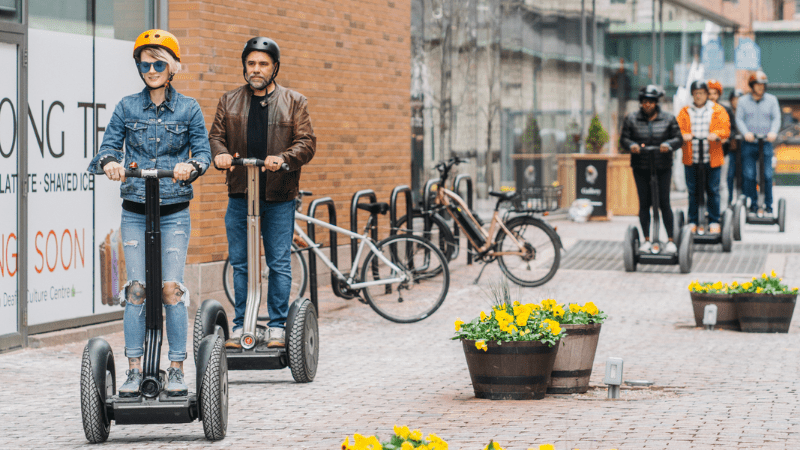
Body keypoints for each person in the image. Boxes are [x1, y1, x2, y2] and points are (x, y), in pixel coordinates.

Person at [87, 30, 211, 397]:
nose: (152, 70)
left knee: (170, 289)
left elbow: (203, 153)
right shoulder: (127, 107)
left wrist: (192, 166)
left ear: (172, 67)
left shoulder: (189, 109)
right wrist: (110, 163)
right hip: (136, 209)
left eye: (159, 63)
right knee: (137, 289)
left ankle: (175, 368)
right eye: (146, 64)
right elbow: (106, 149)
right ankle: (134, 368)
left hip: (173, 209)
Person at [209, 37, 316, 349]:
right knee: (241, 262)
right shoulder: (229, 101)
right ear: (245, 66)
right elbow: (216, 136)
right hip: (240, 192)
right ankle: (244, 323)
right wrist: (220, 154)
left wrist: (283, 159)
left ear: (275, 68)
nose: (256, 69)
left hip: (279, 195)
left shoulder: (295, 102)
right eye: (251, 63)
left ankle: (278, 326)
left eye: (263, 64)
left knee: (278, 262)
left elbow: (306, 142)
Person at [620, 85, 683, 254]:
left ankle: (670, 240)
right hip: (641, 166)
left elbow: (678, 139)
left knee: (664, 203)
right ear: (641, 103)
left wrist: (668, 145)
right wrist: (631, 145)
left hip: (662, 166)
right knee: (644, 203)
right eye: (644, 102)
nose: (647, 105)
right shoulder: (631, 119)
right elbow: (624, 139)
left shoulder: (668, 119)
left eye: (651, 102)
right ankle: (647, 240)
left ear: (656, 103)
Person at [677, 80, 730, 234]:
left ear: (707, 94)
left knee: (712, 190)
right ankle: (693, 221)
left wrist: (717, 135)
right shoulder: (685, 111)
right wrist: (683, 136)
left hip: (711, 158)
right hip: (691, 158)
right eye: (696, 93)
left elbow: (725, 130)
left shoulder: (717, 110)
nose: (698, 96)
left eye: (701, 93)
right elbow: (677, 130)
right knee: (693, 191)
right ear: (692, 95)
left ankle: (714, 221)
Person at [735, 70, 782, 215]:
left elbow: (776, 118)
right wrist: (746, 133)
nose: (761, 87)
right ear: (752, 85)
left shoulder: (772, 100)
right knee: (749, 175)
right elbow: (739, 119)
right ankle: (754, 204)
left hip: (766, 142)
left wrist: (773, 132)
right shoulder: (743, 101)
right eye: (757, 84)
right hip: (749, 143)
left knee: (767, 175)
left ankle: (768, 205)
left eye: (763, 85)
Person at [725, 89, 744, 205]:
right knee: (729, 175)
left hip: (744, 149)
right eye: (734, 99)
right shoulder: (727, 112)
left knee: (744, 176)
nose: (736, 102)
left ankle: (742, 200)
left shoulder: (746, 112)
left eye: (739, 100)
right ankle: (729, 200)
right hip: (731, 149)